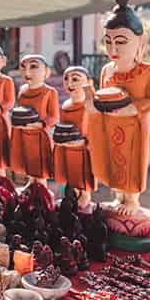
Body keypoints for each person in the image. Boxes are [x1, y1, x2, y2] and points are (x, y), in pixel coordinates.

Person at [85, 0, 150, 245]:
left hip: (135, 126)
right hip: (110, 124)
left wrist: (133, 108)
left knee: (131, 160)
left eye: (121, 41)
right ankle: (118, 196)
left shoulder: (147, 71)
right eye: (109, 41)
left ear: (141, 42)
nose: (114, 48)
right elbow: (104, 94)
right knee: (113, 160)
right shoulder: (107, 70)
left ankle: (132, 198)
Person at [9, 53, 57, 179]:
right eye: (23, 67)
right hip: (23, 135)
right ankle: (31, 183)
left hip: (39, 137)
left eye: (34, 67)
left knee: (39, 166)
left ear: (46, 72)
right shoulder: (22, 90)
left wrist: (41, 124)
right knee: (27, 163)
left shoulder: (49, 92)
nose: (27, 72)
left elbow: (54, 116)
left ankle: (41, 188)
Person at [53, 65, 95, 209]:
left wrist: (85, 141)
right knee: (69, 173)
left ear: (88, 82)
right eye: (66, 79)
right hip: (67, 148)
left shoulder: (89, 106)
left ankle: (85, 194)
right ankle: (72, 193)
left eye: (75, 79)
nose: (70, 83)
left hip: (83, 150)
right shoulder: (65, 105)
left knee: (83, 174)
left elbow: (94, 130)